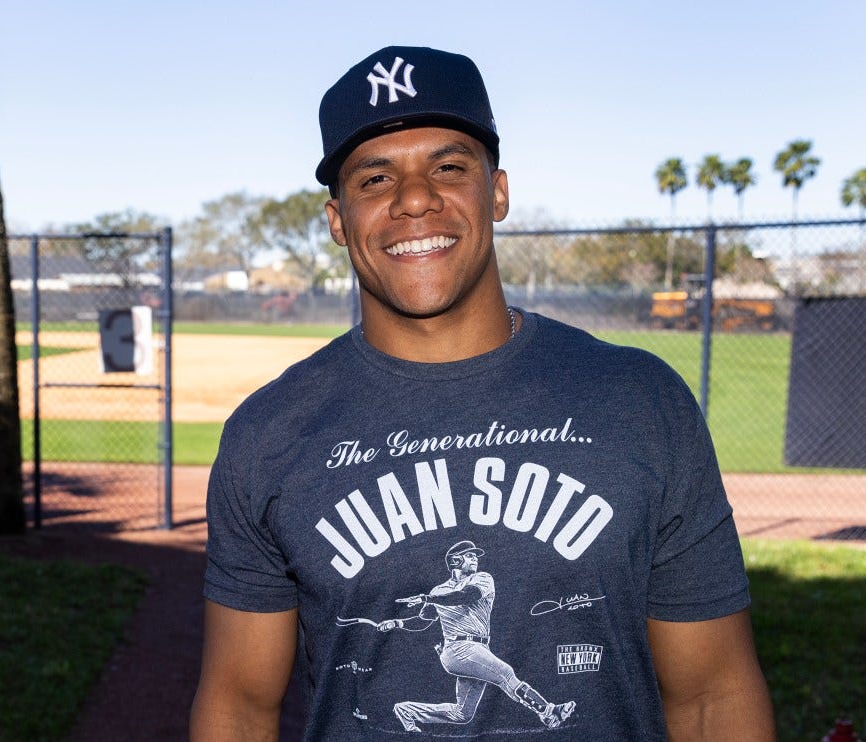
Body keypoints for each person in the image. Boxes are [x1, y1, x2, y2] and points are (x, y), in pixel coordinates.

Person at [190, 45, 775, 741]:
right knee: (469, 708)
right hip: (455, 648)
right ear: (338, 221)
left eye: (447, 167)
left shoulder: (641, 401)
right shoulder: (269, 433)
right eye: (376, 178)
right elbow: (238, 706)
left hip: (463, 643)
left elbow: (714, 695)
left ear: (496, 191)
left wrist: (415, 600)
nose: (413, 198)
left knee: (484, 695)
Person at [375, 540, 576, 732]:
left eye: (474, 556)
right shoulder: (439, 591)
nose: (475, 559)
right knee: (505, 673)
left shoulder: (482, 578)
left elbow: (465, 596)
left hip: (479, 649)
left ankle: (406, 710)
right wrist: (396, 622)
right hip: (457, 650)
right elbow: (423, 621)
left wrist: (427, 598)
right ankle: (549, 712)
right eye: (469, 556)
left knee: (462, 714)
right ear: (455, 561)